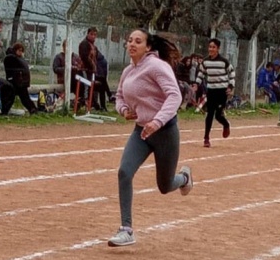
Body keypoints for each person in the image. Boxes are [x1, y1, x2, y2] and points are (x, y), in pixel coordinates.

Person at [108, 28, 193, 247]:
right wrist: (124, 110)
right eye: (129, 41)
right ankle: (126, 229)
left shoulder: (157, 66)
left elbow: (175, 95)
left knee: (164, 186)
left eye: (138, 41)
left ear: (148, 47)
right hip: (141, 132)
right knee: (124, 172)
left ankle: (184, 178)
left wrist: (157, 121)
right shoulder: (128, 71)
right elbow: (118, 97)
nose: (132, 44)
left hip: (164, 132)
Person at [192, 38, 235, 148]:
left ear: (218, 49)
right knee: (209, 114)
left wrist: (230, 86)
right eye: (210, 47)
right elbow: (201, 74)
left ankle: (226, 124)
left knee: (218, 115)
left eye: (213, 47)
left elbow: (232, 73)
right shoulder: (205, 62)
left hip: (222, 91)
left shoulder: (224, 62)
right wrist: (196, 84)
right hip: (211, 90)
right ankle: (206, 138)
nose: (211, 49)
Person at [2, 42, 38, 115]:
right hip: (16, 82)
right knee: (14, 98)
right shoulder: (12, 58)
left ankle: (33, 110)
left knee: (23, 98)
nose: (20, 52)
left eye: (21, 51)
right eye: (19, 50)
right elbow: (12, 71)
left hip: (20, 83)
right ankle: (33, 110)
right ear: (15, 50)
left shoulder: (18, 58)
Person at [79, 27, 98, 106]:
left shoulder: (93, 46)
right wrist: (92, 65)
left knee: (93, 85)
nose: (93, 36)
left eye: (95, 35)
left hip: (92, 70)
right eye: (91, 34)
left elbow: (95, 57)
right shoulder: (84, 44)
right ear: (88, 34)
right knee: (87, 85)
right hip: (85, 69)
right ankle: (86, 101)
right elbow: (85, 57)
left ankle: (93, 103)